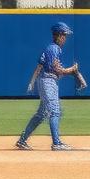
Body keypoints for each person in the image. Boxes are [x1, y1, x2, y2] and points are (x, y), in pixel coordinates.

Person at [16, 22, 79, 150]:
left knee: (41, 114)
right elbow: (56, 70)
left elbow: (41, 67)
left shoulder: (51, 49)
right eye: (64, 35)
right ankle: (56, 143)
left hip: (47, 81)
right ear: (59, 35)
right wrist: (71, 70)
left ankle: (22, 140)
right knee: (55, 111)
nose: (65, 38)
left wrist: (32, 82)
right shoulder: (54, 49)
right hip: (48, 82)